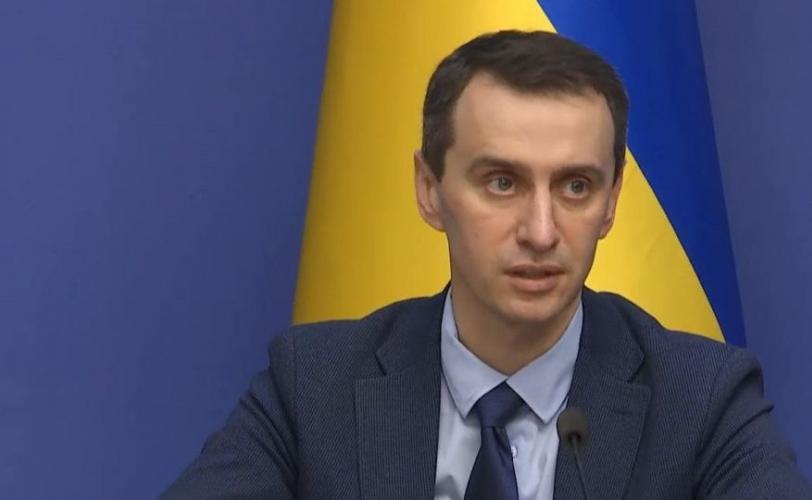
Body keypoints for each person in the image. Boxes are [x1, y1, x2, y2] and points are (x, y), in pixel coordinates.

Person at [163, 30, 811, 499]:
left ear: (612, 202)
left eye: (576, 186)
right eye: (502, 183)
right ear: (429, 189)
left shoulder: (701, 402)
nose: (541, 232)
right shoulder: (312, 388)